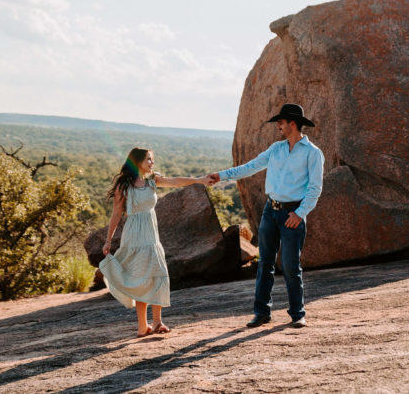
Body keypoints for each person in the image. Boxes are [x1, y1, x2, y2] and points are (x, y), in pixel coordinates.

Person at [207, 103, 323, 328]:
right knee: (265, 264)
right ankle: (261, 313)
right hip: (271, 211)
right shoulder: (275, 149)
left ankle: (298, 314)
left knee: (290, 266)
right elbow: (250, 167)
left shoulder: (313, 153)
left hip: (293, 213)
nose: (277, 126)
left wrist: (299, 214)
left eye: (280, 122)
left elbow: (315, 188)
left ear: (292, 123)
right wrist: (221, 176)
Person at [100, 147, 213, 337]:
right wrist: (108, 240)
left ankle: (158, 322)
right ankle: (143, 327)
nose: (152, 163)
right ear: (137, 162)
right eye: (148, 160)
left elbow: (176, 181)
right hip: (135, 236)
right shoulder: (124, 186)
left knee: (158, 273)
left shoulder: (152, 180)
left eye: (152, 160)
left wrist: (199, 180)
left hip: (152, 236)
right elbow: (116, 214)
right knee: (141, 277)